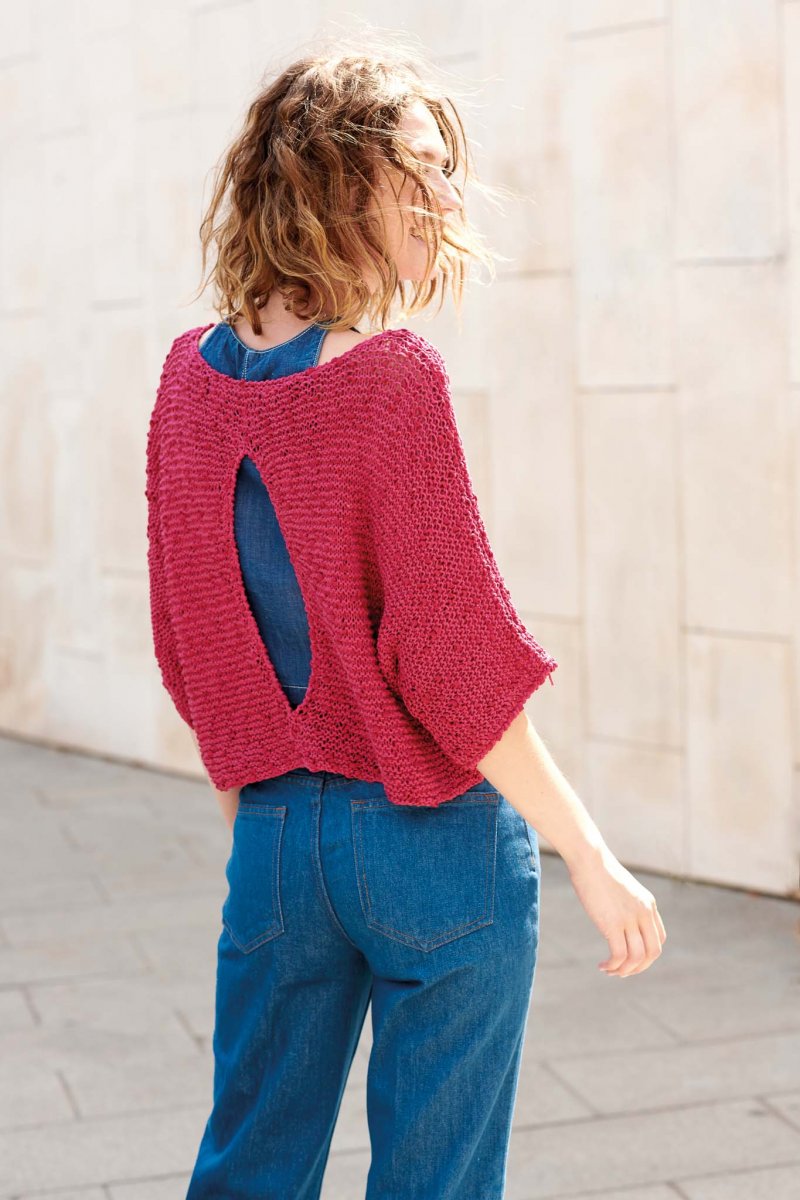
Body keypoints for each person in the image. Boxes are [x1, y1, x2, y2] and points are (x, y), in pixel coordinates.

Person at [150, 33, 666, 1200]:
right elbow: (452, 663)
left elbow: (193, 649)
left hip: (274, 839)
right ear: (332, 180)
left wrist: (264, 829)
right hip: (431, 844)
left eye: (445, 168)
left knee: (246, 1174)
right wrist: (589, 857)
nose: (444, 196)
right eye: (416, 167)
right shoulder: (390, 380)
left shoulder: (185, 383)